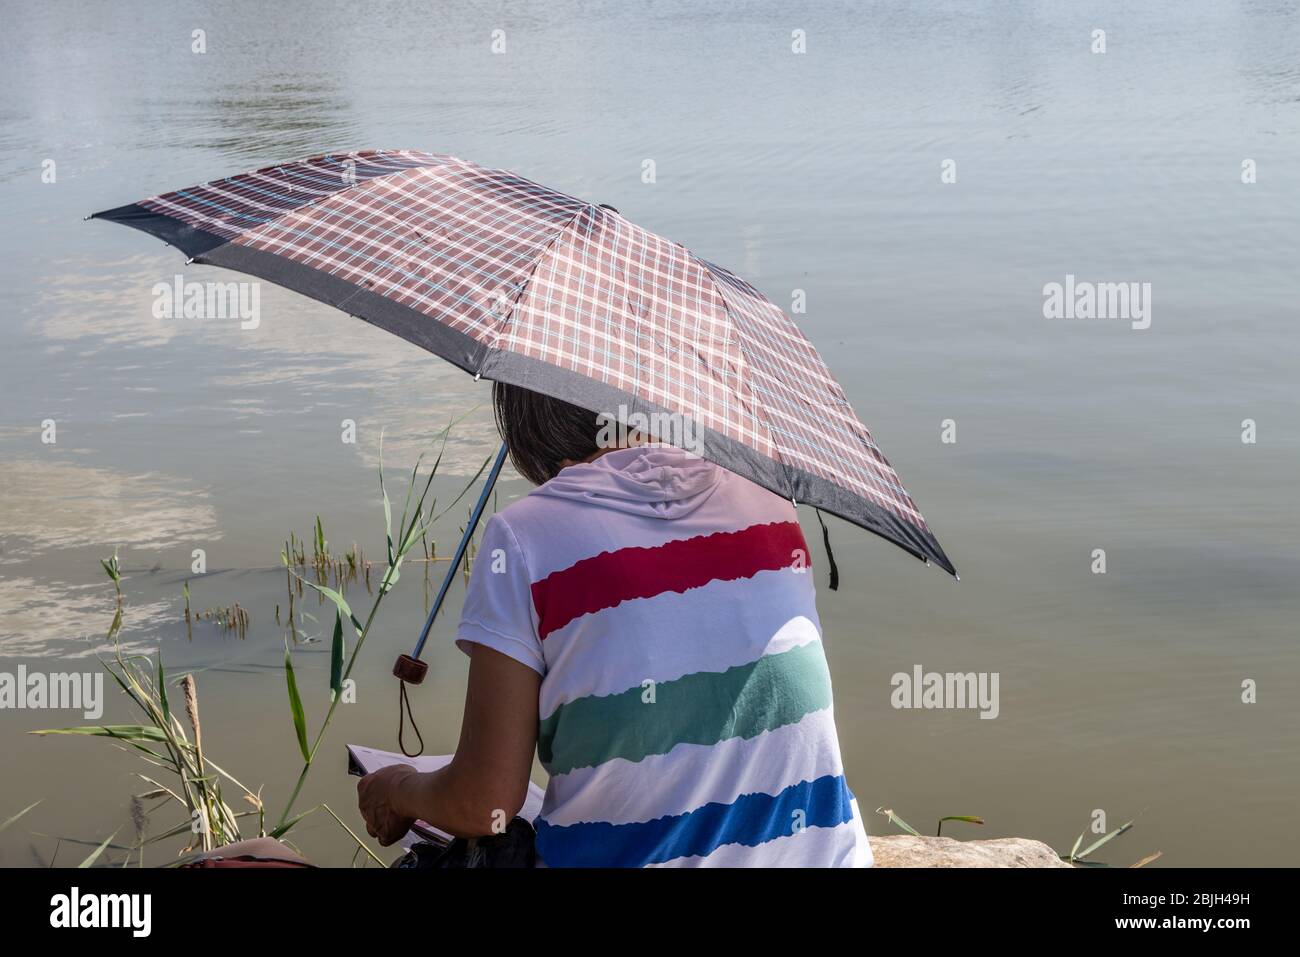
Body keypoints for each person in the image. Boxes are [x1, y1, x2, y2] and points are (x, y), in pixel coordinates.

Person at [357, 383, 872, 867]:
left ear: (527, 417)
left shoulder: (525, 536)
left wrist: (400, 787)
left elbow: (480, 801)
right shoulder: (770, 500)